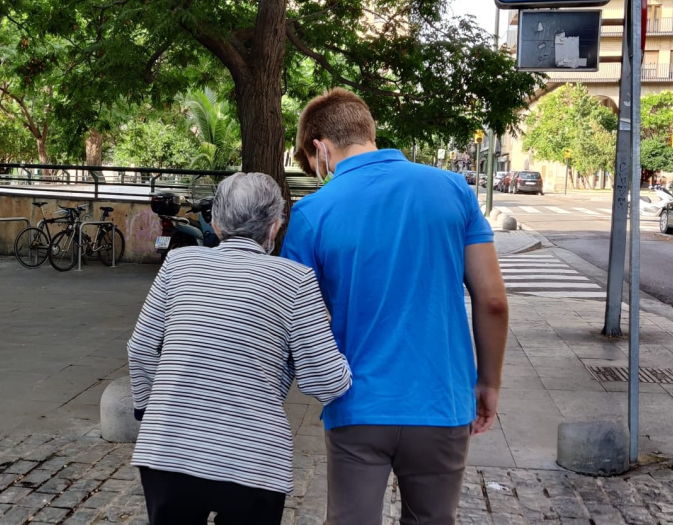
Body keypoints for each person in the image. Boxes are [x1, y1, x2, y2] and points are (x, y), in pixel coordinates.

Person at [283, 89, 509, 525]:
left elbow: (295, 317)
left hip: (356, 403)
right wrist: (488, 383)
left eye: (314, 167)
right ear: (369, 132)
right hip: (441, 400)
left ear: (320, 149)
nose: (319, 175)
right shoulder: (452, 189)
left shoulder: (312, 212)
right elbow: (494, 301)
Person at [128, 172, 352, 525]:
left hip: (168, 451)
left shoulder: (179, 264)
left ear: (215, 223)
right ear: (275, 226)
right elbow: (326, 382)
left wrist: (149, 409)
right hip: (253, 460)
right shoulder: (295, 281)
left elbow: (141, 348)